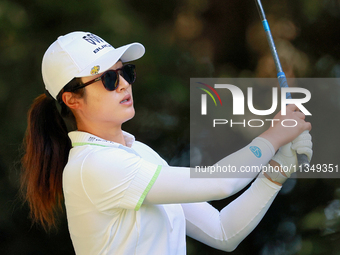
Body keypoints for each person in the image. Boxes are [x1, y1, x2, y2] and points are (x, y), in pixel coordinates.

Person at [21, 31, 312, 255]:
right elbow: (221, 182)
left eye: (127, 72)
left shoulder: (139, 154)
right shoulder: (93, 166)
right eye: (108, 78)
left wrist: (276, 171)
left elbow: (223, 232)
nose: (124, 83)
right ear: (72, 100)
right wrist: (274, 136)